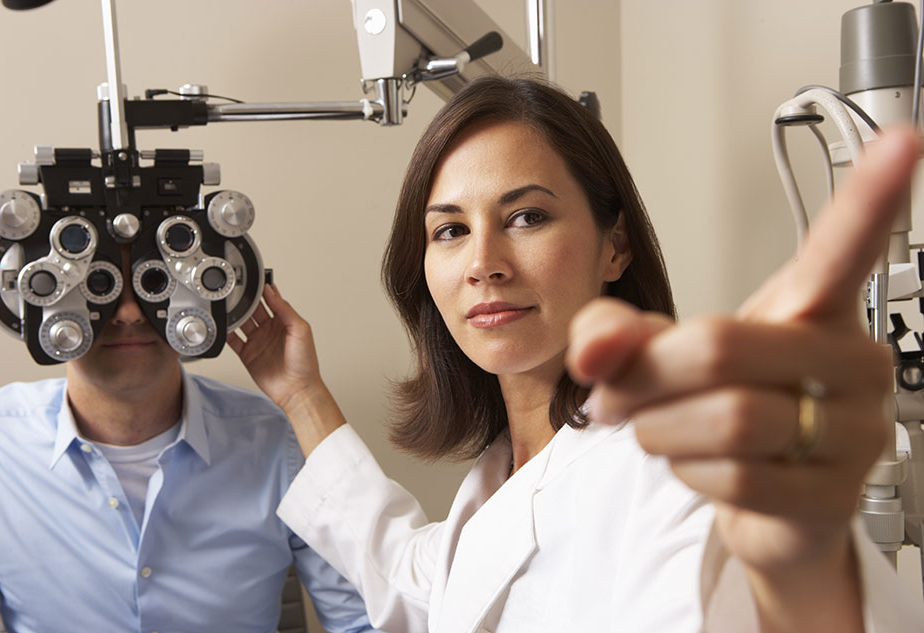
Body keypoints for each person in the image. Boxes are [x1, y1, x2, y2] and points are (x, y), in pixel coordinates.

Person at [229, 77, 924, 632]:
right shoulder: (506, 470)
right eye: (449, 229)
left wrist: (801, 565)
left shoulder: (670, 474)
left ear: (614, 245)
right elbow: (417, 582)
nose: (483, 262)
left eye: (526, 216)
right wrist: (301, 395)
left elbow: (748, 590)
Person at [0, 247, 376, 633]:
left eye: (155, 283)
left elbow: (367, 621)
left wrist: (304, 398)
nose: (129, 313)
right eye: (98, 284)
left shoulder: (279, 441)